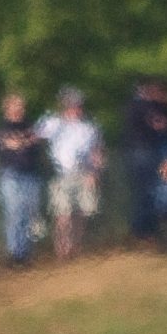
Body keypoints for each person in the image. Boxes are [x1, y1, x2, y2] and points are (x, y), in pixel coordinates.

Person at [37, 87, 104, 259]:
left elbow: (97, 152)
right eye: (71, 104)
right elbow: (34, 139)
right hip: (60, 175)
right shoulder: (52, 123)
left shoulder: (89, 128)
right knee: (62, 214)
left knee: (81, 213)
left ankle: (76, 247)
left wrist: (94, 173)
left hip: (83, 174)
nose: (75, 108)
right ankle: (62, 250)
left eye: (77, 105)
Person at [0, 91, 48, 266]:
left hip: (30, 174)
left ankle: (25, 253)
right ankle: (14, 253)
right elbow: (10, 144)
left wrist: (24, 142)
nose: (19, 109)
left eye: (21, 105)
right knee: (14, 211)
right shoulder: (1, 126)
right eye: (15, 105)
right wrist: (26, 141)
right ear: (7, 107)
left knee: (29, 213)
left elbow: (36, 141)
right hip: (10, 175)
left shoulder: (29, 124)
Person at [123, 77, 167, 241]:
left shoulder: (163, 108)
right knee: (146, 192)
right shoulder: (138, 105)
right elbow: (158, 124)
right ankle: (142, 232)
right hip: (142, 153)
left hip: (154, 153)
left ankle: (152, 231)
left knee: (157, 191)